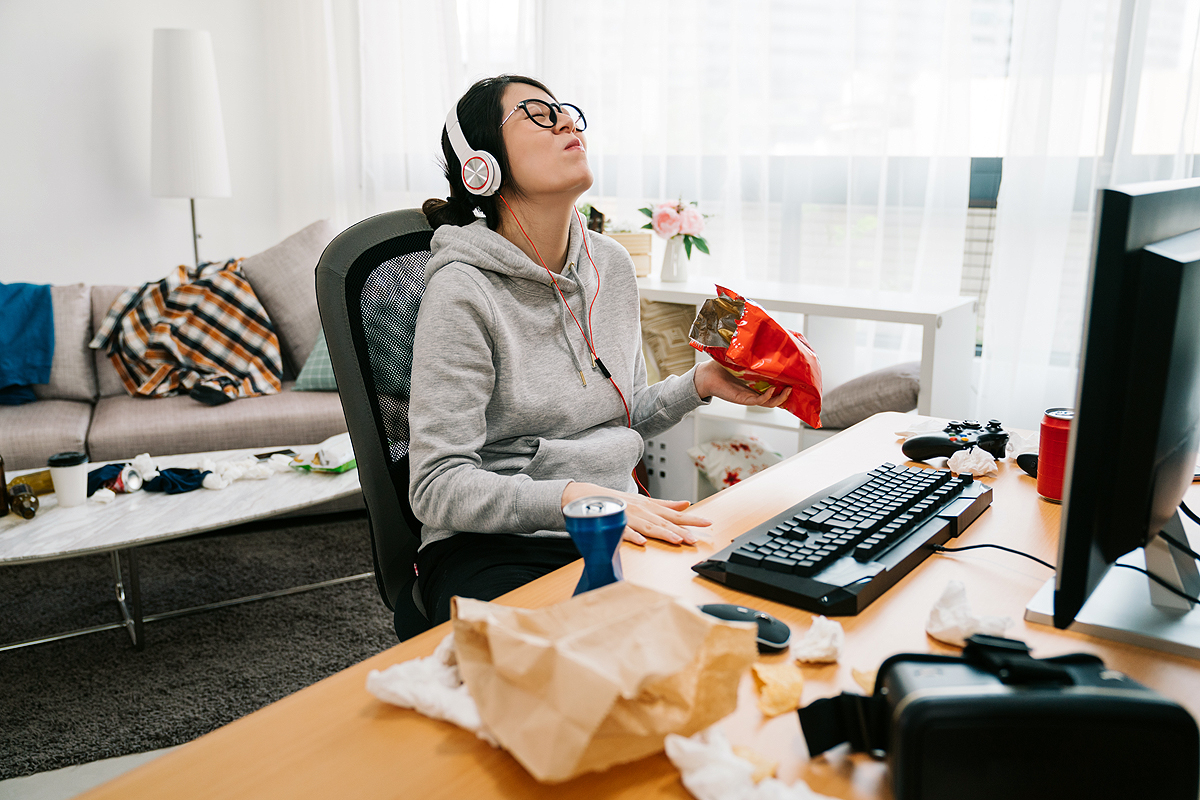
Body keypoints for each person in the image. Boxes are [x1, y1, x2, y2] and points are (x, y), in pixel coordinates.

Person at [410, 74, 791, 624]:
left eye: (564, 110)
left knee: (742, 620)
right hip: (497, 545)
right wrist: (570, 498)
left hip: (614, 522)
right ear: (481, 167)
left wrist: (700, 384)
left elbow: (621, 409)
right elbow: (436, 486)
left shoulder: (609, 265)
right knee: (585, 665)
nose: (566, 121)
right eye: (537, 114)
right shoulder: (461, 289)